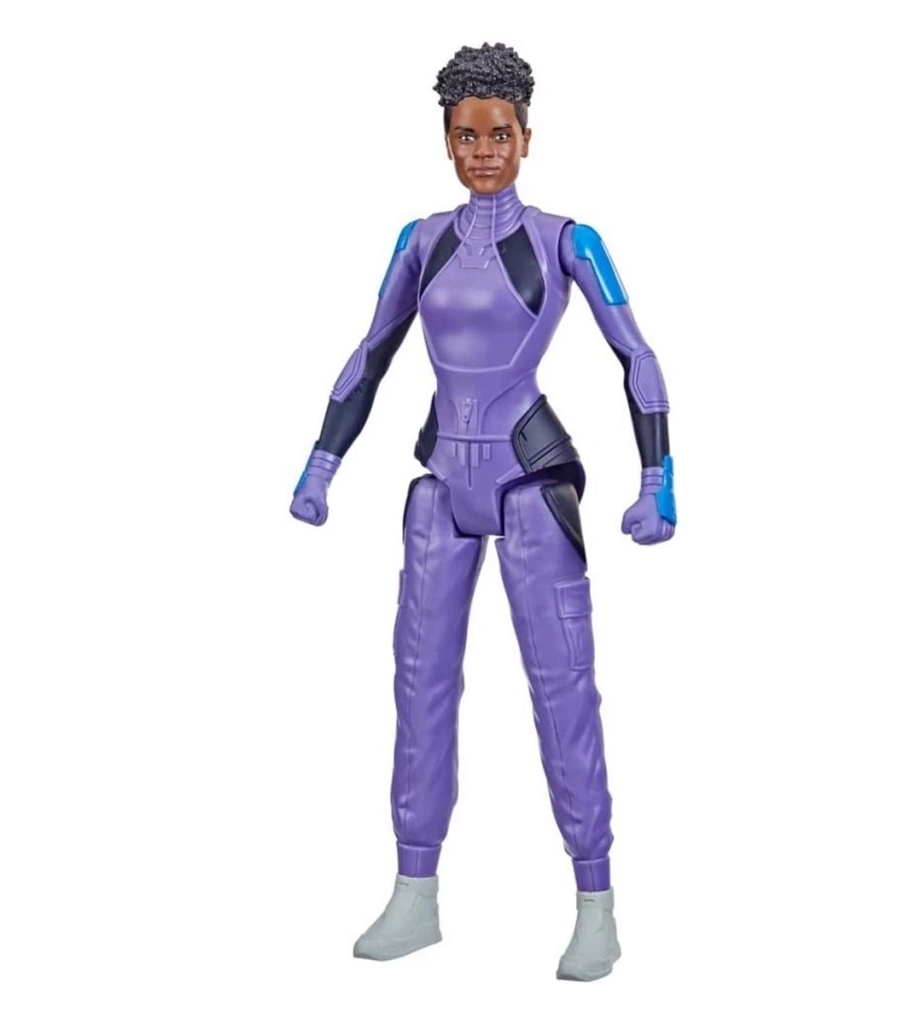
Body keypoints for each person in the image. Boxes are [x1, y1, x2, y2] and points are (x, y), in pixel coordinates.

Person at [290, 42, 676, 982]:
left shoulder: (567, 241)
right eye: (467, 136)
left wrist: (657, 477)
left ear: (527, 137)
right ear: (448, 142)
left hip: (530, 480)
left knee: (562, 688)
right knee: (418, 686)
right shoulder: (420, 240)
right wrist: (322, 461)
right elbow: (371, 351)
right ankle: (414, 890)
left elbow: (637, 356)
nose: (484, 152)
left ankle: (596, 904)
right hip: (439, 483)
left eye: (499, 134)